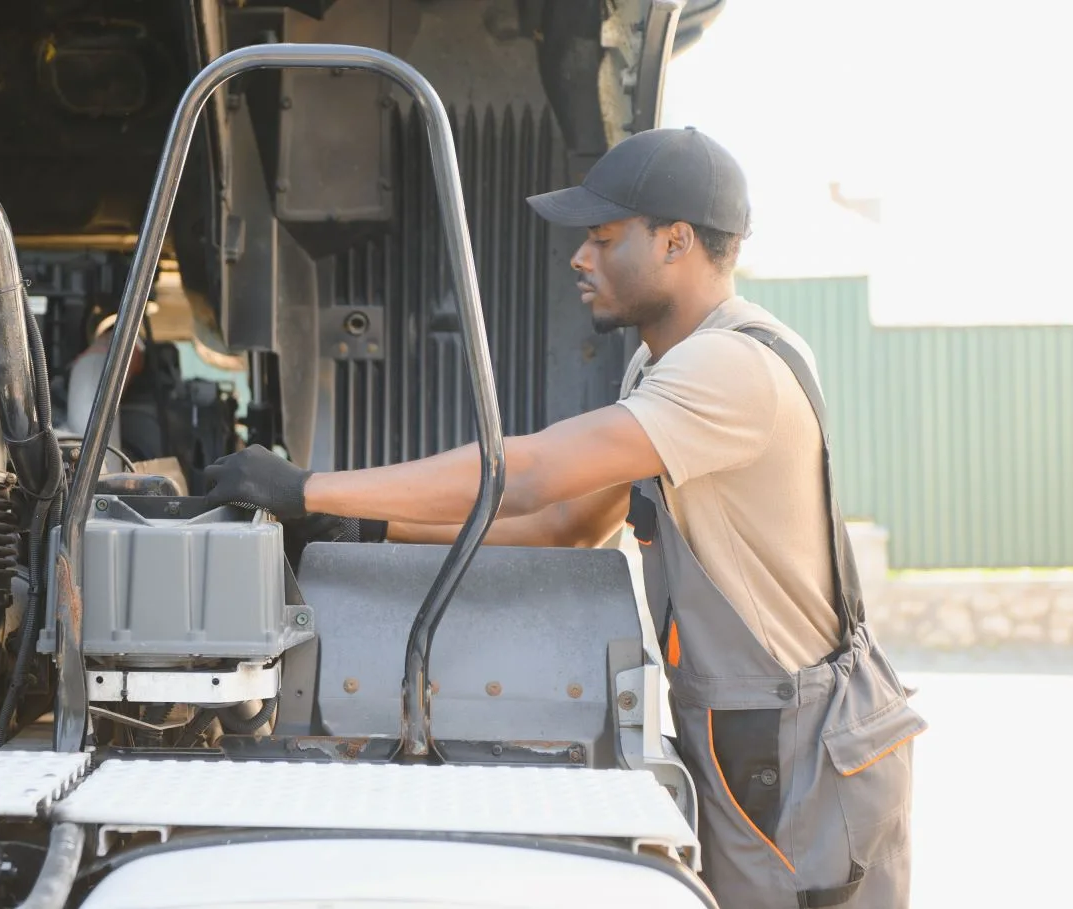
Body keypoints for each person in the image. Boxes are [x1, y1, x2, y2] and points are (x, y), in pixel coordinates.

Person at [203, 126, 925, 909]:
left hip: (795, 738)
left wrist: (310, 489)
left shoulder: (731, 367)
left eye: (605, 237)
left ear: (676, 241)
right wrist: (368, 531)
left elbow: (533, 477)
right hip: (747, 725)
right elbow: (568, 529)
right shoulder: (665, 361)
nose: (581, 258)